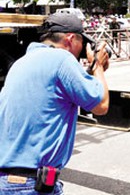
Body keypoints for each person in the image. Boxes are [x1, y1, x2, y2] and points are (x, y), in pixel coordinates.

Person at [0, 13, 110, 194]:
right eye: (82, 42)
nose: (82, 49)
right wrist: (97, 66)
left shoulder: (20, 63)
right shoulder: (61, 59)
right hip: (31, 185)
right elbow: (101, 105)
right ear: (70, 39)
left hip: (8, 181)